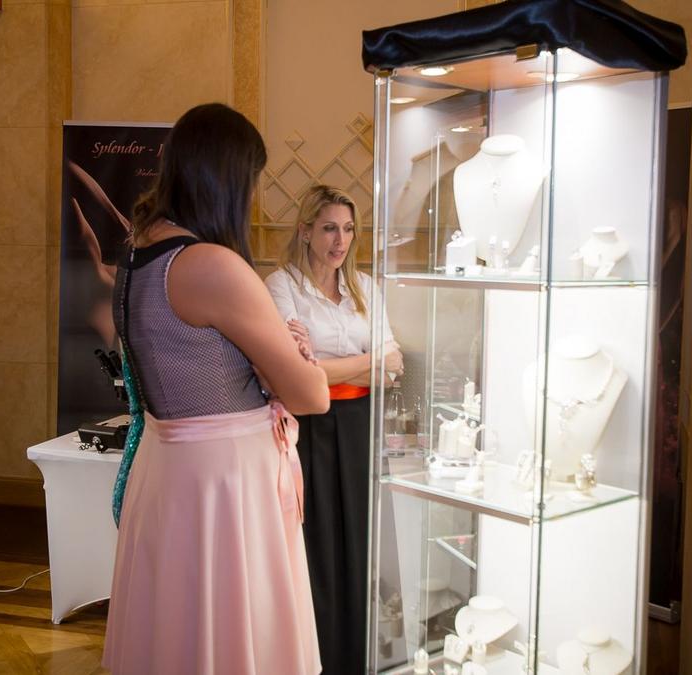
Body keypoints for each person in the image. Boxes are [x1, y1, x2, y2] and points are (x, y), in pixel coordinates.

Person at [103, 103, 328, 674]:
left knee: (180, 628)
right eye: (250, 180)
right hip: (224, 478)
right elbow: (311, 396)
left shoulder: (138, 252)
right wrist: (303, 360)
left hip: (168, 467)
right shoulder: (211, 266)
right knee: (232, 628)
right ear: (227, 179)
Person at [265, 184, 402, 675]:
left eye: (347, 229)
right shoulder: (281, 285)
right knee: (316, 546)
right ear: (305, 231)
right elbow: (292, 372)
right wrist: (367, 361)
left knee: (362, 543)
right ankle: (315, 660)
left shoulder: (365, 286)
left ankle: (359, 659)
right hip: (307, 428)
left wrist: (326, 366)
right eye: (328, 228)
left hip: (361, 425)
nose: (340, 240)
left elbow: (394, 365)